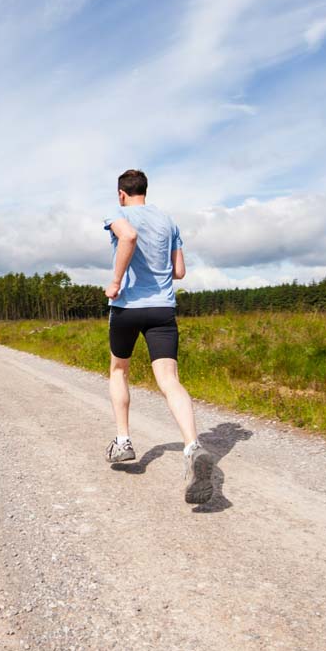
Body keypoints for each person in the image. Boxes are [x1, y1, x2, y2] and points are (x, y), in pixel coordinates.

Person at [102, 169, 213, 503]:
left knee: (119, 369)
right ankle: (193, 446)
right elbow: (179, 271)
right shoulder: (168, 221)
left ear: (121, 193)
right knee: (169, 379)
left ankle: (123, 442)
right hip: (163, 309)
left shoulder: (117, 214)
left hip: (127, 308)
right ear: (144, 191)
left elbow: (129, 237)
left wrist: (117, 282)